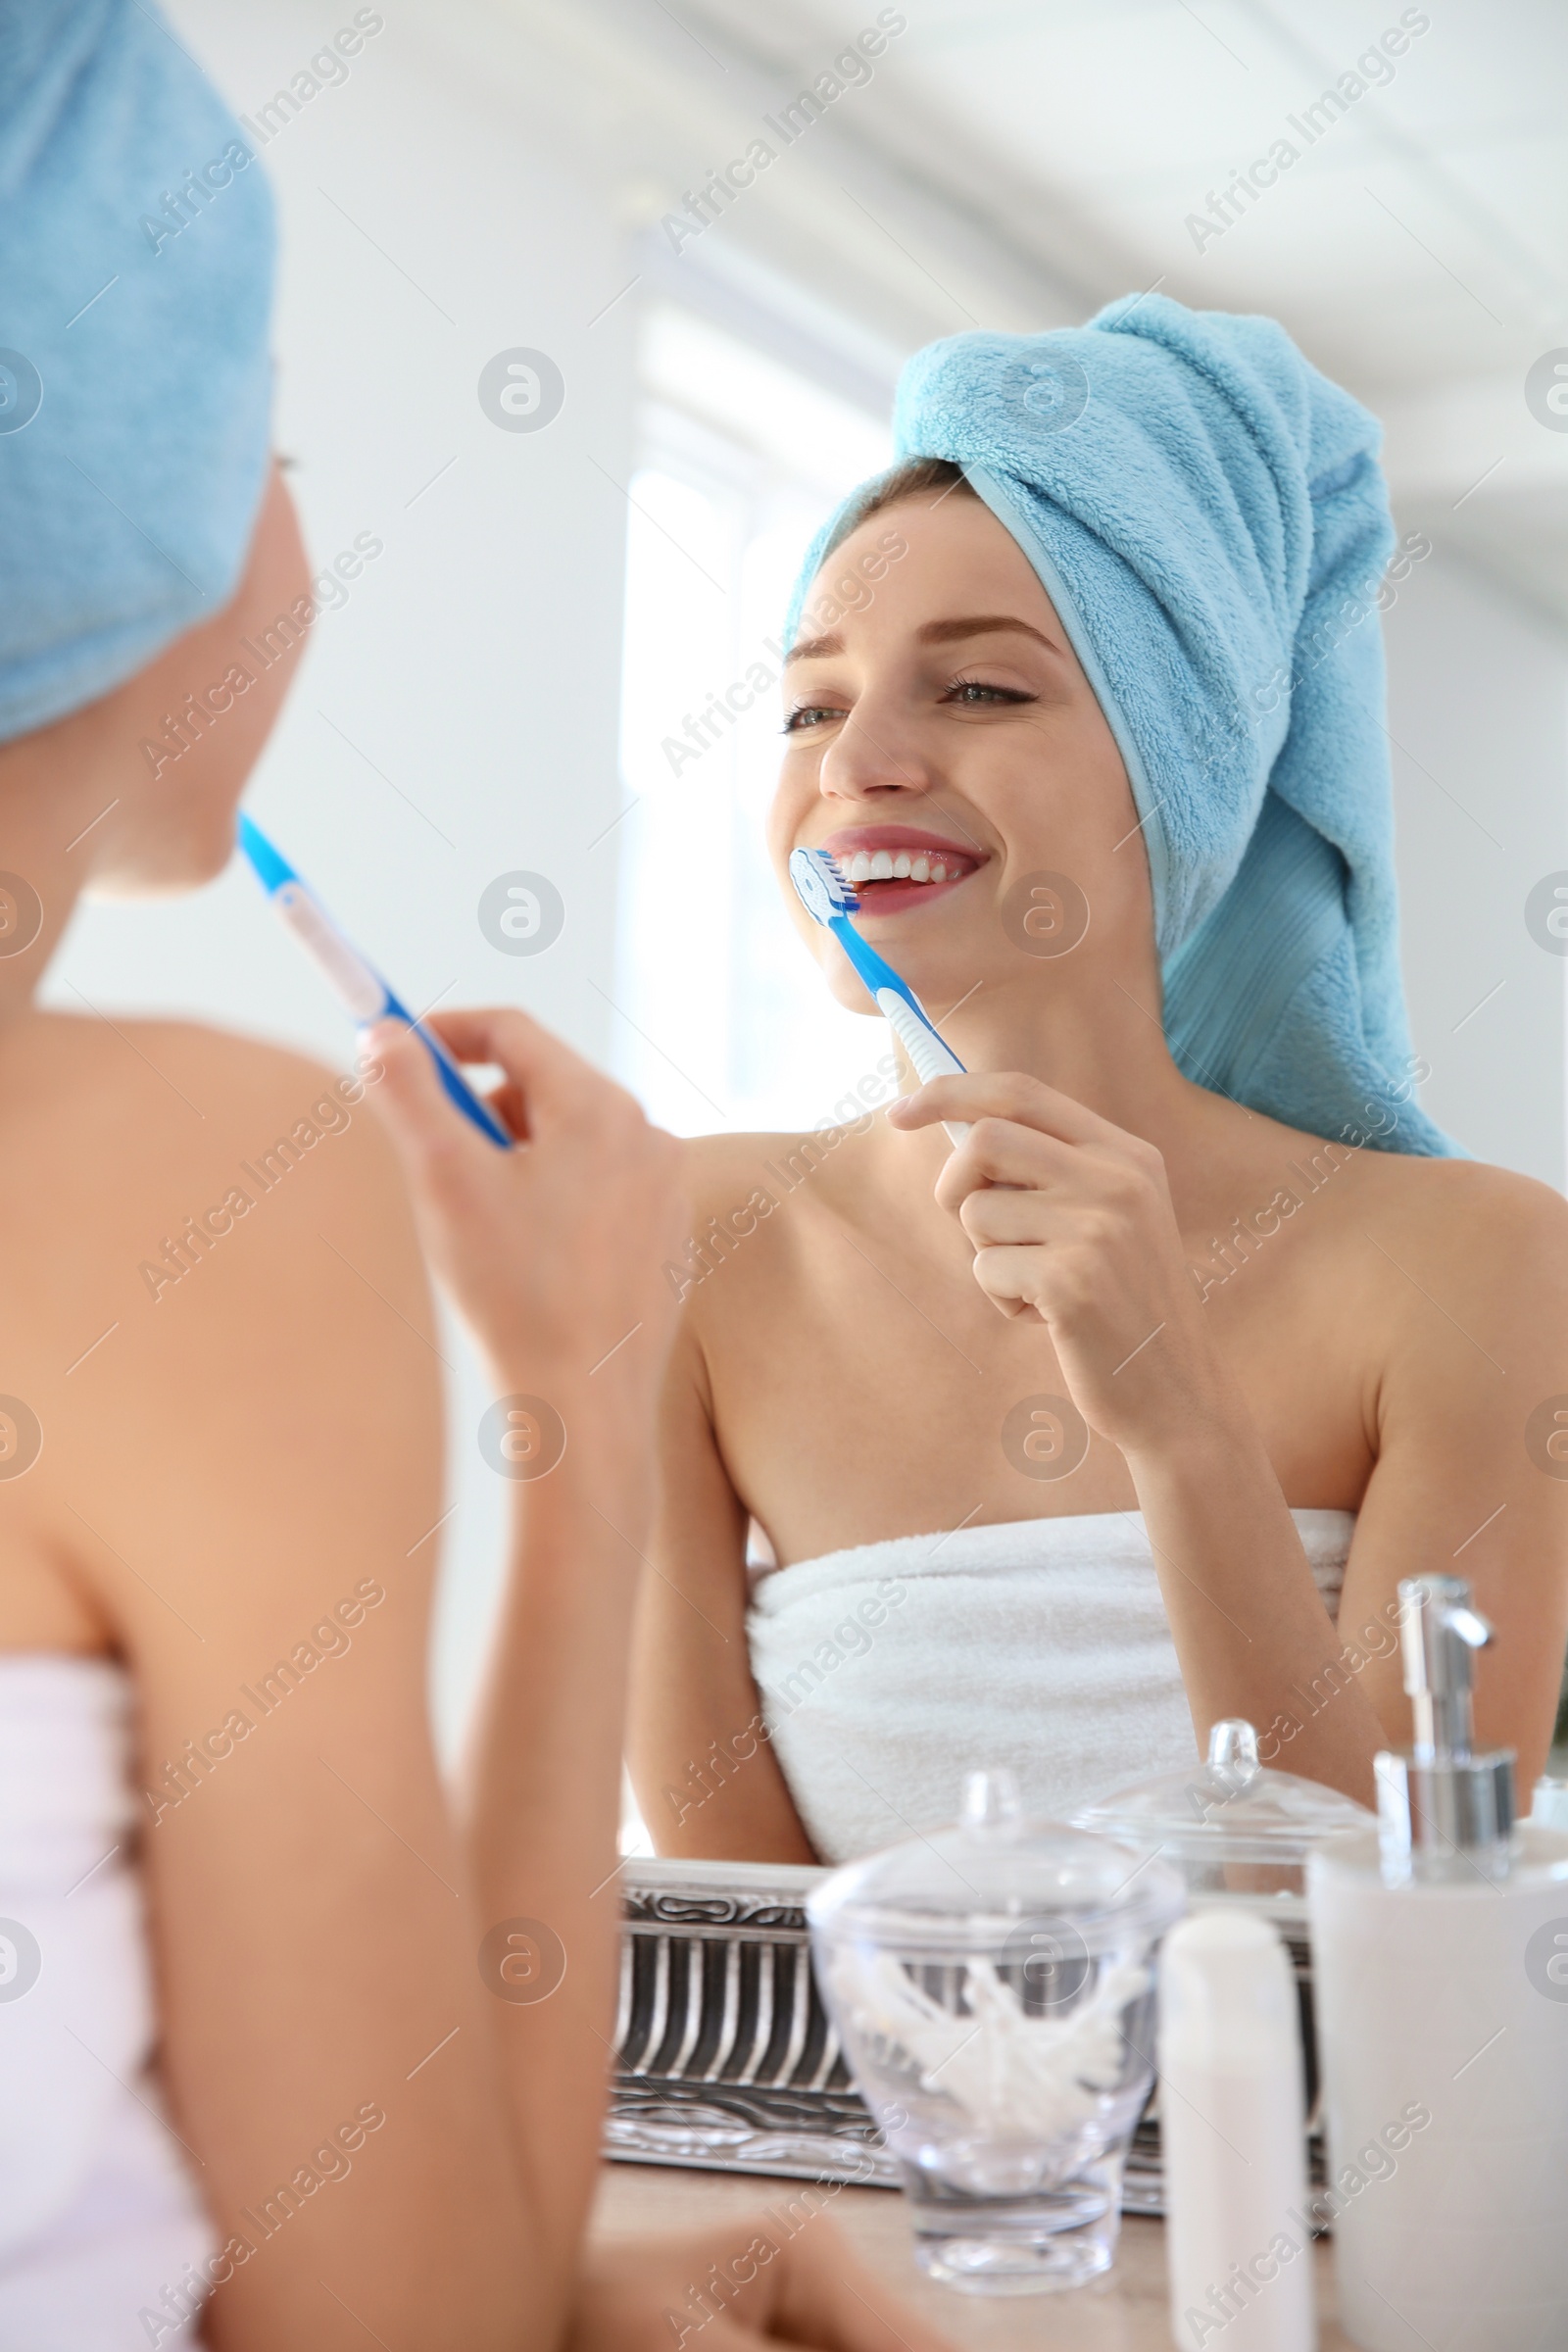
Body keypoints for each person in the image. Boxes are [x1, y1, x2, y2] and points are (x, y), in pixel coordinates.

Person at [0, 8, 952, 2347]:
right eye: (276, 434)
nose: (859, 769)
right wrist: (585, 1413)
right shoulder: (189, 1187)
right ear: (119, 479)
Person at [628, 304, 1568, 1868]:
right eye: (810, 704)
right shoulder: (682, 1241)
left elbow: (1411, 1948)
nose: (856, 761)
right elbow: (746, 1952)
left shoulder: (1482, 1267)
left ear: (1177, 758)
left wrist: (1184, 1427)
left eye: (980, 692)